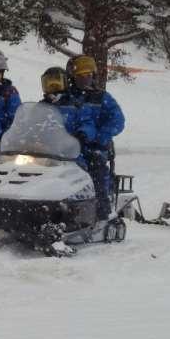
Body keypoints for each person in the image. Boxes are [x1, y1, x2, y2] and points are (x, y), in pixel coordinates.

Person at [65, 54, 125, 219]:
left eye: (88, 74)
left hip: (94, 146)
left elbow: (117, 120)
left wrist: (99, 136)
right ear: (72, 77)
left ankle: (101, 207)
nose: (85, 78)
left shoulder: (102, 97)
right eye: (80, 75)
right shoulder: (64, 96)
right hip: (65, 146)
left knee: (96, 166)